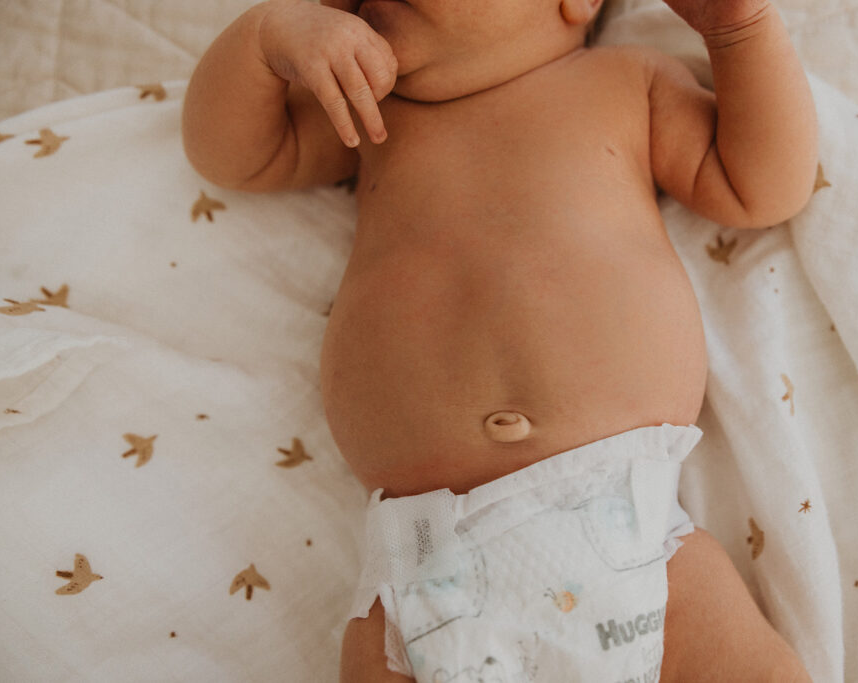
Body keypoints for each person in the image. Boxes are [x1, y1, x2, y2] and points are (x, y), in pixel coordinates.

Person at [182, 0, 817, 680]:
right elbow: (232, 156)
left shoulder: (629, 84)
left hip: (630, 538)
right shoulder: (367, 112)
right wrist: (266, 37)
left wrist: (739, 31)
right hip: (427, 566)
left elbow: (762, 186)